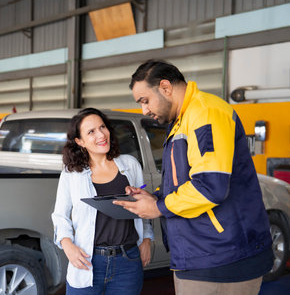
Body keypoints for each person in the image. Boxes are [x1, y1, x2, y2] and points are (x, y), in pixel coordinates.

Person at [114, 60, 273, 295]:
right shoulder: (182, 121)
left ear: (166, 87)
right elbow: (189, 181)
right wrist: (155, 197)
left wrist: (159, 206)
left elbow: (211, 187)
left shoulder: (205, 114)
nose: (144, 110)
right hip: (202, 254)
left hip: (222, 259)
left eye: (145, 101)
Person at [51, 108, 153, 294]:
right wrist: (68, 246)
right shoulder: (72, 173)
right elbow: (60, 215)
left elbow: (144, 206)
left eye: (102, 127)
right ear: (79, 141)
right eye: (91, 132)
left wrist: (146, 238)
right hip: (87, 260)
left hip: (127, 261)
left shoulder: (130, 165)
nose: (101, 134)